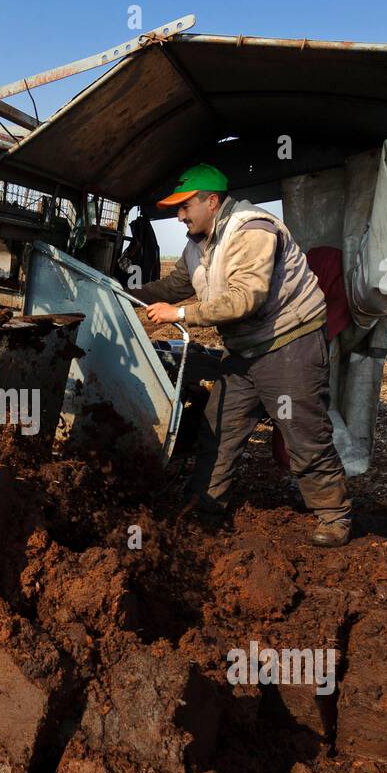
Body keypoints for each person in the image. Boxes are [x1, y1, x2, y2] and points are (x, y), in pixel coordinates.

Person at [130, 162, 353, 547]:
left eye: (185, 207)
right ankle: (204, 508)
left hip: (288, 344)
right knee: (219, 428)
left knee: (303, 434)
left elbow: (244, 299)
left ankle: (334, 516)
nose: (179, 216)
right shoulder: (197, 244)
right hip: (245, 350)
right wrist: (123, 291)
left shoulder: (252, 230)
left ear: (212, 201)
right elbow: (174, 285)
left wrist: (179, 314)